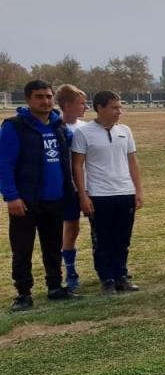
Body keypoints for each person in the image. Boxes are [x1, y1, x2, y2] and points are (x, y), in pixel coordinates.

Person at [1, 80, 77, 311]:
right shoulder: (14, 127)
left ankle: (55, 286)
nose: (45, 101)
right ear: (27, 99)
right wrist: (11, 197)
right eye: (39, 97)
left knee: (52, 246)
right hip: (25, 201)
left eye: (48, 96)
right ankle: (23, 293)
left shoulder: (60, 127)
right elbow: (4, 164)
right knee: (22, 249)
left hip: (54, 200)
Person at [71, 90, 143, 296]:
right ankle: (107, 279)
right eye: (114, 107)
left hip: (124, 192)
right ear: (100, 108)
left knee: (122, 238)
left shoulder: (125, 131)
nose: (119, 111)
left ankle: (121, 276)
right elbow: (78, 165)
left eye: (119, 107)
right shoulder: (83, 133)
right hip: (99, 195)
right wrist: (83, 195)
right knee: (102, 239)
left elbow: (132, 162)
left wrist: (138, 190)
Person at [56, 83, 88, 291]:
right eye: (81, 103)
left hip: (89, 186)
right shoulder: (55, 126)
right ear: (67, 105)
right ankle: (70, 270)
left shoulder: (85, 128)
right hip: (67, 189)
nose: (85, 107)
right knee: (71, 228)